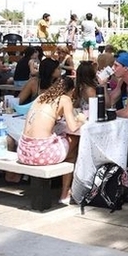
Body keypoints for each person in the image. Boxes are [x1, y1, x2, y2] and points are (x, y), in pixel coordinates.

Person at [17, 76, 85, 204]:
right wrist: (81, 120)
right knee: (74, 142)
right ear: (72, 90)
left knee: (63, 139)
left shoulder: (41, 97)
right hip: (40, 154)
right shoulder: (65, 99)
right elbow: (73, 127)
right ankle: (65, 193)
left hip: (24, 151)